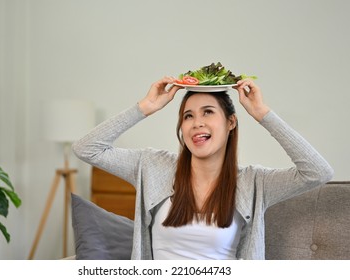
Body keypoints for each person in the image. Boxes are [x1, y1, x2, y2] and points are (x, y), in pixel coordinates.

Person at [72, 77, 333, 260]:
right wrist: (145, 107)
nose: (196, 123)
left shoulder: (254, 182)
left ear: (231, 122)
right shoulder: (152, 166)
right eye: (188, 116)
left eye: (208, 112)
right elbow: (86, 148)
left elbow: (318, 172)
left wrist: (262, 113)